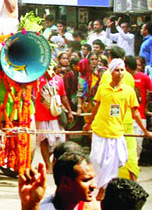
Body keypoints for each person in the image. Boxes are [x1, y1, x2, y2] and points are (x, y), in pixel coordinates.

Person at [83, 58, 152, 200]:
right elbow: (96, 107)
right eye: (117, 70)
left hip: (116, 132)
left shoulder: (128, 91)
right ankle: (100, 187)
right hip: (99, 130)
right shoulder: (103, 88)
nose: (120, 73)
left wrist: (145, 131)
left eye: (122, 70)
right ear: (111, 71)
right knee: (96, 159)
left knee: (117, 160)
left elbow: (136, 113)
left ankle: (104, 188)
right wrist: (89, 123)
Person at [34, 67, 73, 173]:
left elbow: (63, 96)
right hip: (41, 115)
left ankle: (54, 162)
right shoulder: (36, 78)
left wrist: (69, 111)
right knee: (44, 141)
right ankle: (48, 165)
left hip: (56, 115)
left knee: (59, 141)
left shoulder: (59, 79)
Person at [124, 56, 152, 157]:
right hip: (125, 116)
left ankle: (135, 163)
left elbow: (151, 92)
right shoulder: (122, 77)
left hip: (140, 115)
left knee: (138, 143)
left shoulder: (144, 78)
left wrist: (146, 106)